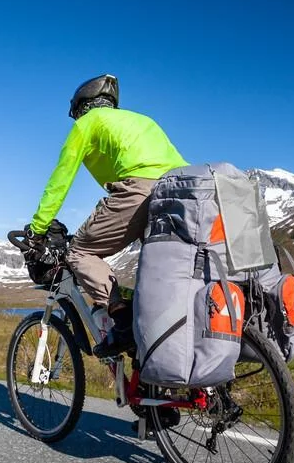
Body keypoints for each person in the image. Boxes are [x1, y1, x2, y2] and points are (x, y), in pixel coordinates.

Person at [24, 74, 188, 358]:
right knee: (159, 272)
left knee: (79, 253)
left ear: (81, 108)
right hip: (182, 194)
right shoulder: (143, 121)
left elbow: (60, 180)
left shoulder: (87, 123)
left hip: (140, 191)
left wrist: (37, 229)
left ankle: (122, 323)